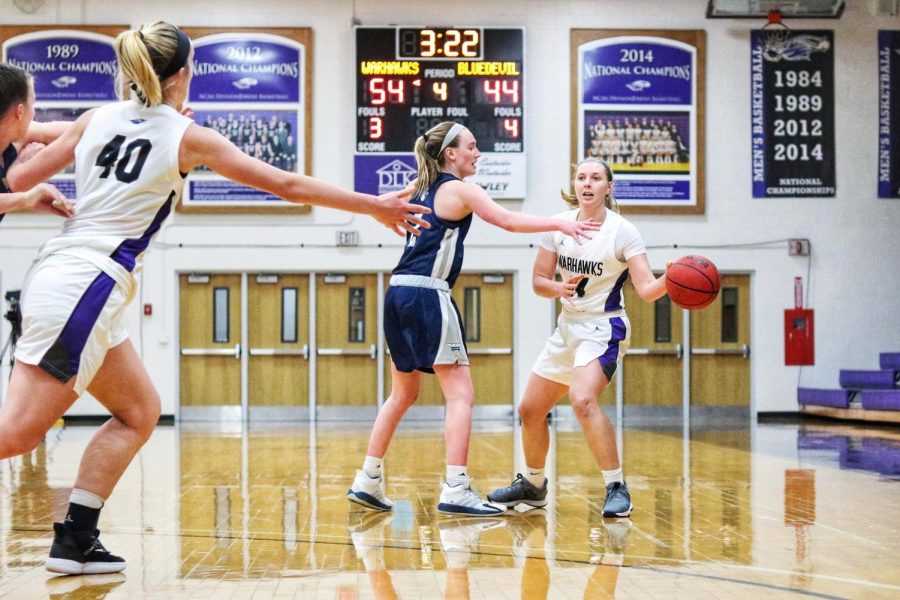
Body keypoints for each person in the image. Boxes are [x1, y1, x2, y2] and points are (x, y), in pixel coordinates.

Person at [0, 21, 428, 576]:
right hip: (86, 285)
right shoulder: (185, 137)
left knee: (139, 411)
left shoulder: (96, 119)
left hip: (71, 276)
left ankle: (76, 538)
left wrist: (46, 143)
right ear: (182, 76)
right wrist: (374, 205)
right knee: (17, 434)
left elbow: (20, 175)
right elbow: (289, 186)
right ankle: (76, 537)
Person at [346, 121, 601, 517]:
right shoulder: (461, 189)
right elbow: (508, 221)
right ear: (451, 154)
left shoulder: (421, 188)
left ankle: (368, 478)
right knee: (461, 394)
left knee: (403, 394)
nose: (478, 153)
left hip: (397, 291)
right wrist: (561, 222)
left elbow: (382, 201)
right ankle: (456, 487)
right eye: (472, 146)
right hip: (429, 292)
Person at [487, 157, 667, 518]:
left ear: (608, 187)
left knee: (582, 399)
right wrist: (558, 287)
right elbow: (539, 281)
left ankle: (616, 486)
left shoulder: (622, 232)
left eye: (596, 178)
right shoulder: (558, 225)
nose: (587, 183)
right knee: (530, 410)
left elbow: (646, 288)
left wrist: (671, 280)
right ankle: (534, 486)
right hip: (567, 326)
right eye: (581, 177)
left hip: (604, 327)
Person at [0, 63, 74, 220]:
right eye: (32, 103)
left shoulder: (14, 138)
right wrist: (24, 198)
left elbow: (76, 131)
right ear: (20, 111)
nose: (33, 111)